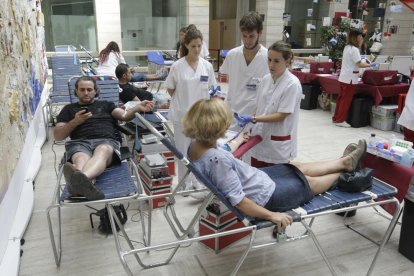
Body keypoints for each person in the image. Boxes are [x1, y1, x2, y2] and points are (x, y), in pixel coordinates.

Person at [183, 99, 367, 230]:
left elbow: (221, 151)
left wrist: (237, 141)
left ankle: (346, 162)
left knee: (297, 166)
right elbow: (238, 200)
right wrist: (272, 215)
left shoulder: (196, 145)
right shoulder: (217, 161)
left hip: (257, 179)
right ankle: (342, 174)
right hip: (265, 197)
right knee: (308, 182)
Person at [54, 76, 154, 200]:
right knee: (80, 157)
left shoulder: (106, 105)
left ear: (95, 91)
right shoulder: (68, 110)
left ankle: (79, 181)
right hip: (79, 143)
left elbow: (124, 115)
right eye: (82, 89)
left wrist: (138, 107)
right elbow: (58, 135)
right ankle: (85, 181)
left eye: (89, 89)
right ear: (76, 91)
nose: (86, 93)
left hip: (106, 141)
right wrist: (75, 121)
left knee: (103, 150)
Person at [234, 41, 302, 167]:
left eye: (276, 61)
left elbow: (281, 115)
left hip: (278, 143)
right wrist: (249, 124)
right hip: (259, 139)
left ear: (287, 61)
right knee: (257, 177)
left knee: (274, 181)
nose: (271, 64)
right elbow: (258, 106)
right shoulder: (266, 79)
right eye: (269, 59)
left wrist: (254, 118)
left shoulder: (292, 84)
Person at [165, 28, 216, 189]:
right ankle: (183, 183)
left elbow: (212, 89)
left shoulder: (206, 66)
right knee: (183, 152)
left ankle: (197, 181)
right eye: (193, 46)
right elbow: (170, 88)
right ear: (186, 45)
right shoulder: (177, 66)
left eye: (199, 46)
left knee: (199, 151)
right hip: (183, 116)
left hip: (201, 117)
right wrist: (182, 100)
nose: (196, 49)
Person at [219, 11, 269, 128]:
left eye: (252, 36)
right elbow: (225, 78)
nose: (247, 40)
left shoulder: (268, 57)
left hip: (257, 116)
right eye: (244, 36)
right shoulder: (232, 55)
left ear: (259, 33)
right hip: (233, 113)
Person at [332, 29, 376, 127]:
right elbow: (359, 64)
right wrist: (371, 65)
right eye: (360, 37)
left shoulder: (347, 47)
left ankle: (336, 118)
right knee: (345, 100)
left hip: (344, 77)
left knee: (341, 99)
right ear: (356, 37)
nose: (362, 39)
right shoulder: (354, 50)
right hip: (350, 79)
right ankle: (340, 120)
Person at [96, 41, 163, 82]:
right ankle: (157, 76)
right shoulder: (116, 53)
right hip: (114, 76)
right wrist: (131, 70)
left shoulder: (103, 54)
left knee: (135, 75)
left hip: (100, 76)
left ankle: (156, 75)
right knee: (138, 75)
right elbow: (124, 66)